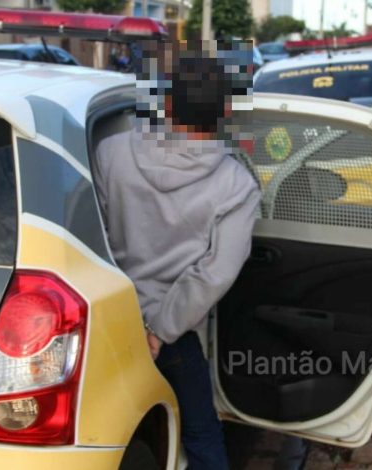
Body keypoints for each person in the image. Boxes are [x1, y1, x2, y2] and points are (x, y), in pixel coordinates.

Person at [95, 41, 260, 470]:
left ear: (166, 101)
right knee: (202, 436)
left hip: (102, 321)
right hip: (171, 337)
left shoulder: (111, 153)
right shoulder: (236, 185)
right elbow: (215, 274)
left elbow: (91, 233)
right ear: (226, 113)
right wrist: (160, 330)